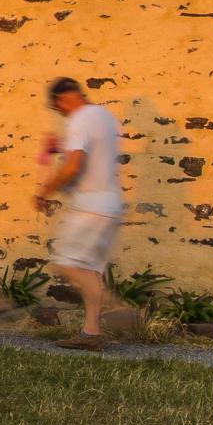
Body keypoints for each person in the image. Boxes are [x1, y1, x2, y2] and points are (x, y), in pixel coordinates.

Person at [34, 75, 125, 350]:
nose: (59, 113)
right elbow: (92, 155)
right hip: (110, 203)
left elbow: (74, 166)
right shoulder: (105, 116)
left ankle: (113, 307)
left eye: (57, 107)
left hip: (90, 207)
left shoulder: (78, 119)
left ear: (63, 99)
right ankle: (91, 333)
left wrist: (44, 191)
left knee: (67, 262)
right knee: (89, 269)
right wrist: (60, 147)